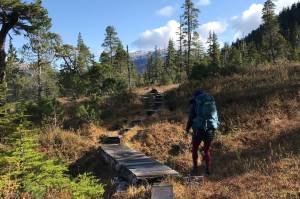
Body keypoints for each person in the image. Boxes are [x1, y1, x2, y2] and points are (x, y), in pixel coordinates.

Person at [184, 90, 219, 175]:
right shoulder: (210, 102)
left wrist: (187, 130)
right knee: (206, 150)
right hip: (210, 129)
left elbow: (191, 119)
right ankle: (208, 170)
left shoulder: (196, 103)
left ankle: (195, 168)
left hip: (199, 130)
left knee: (195, 149)